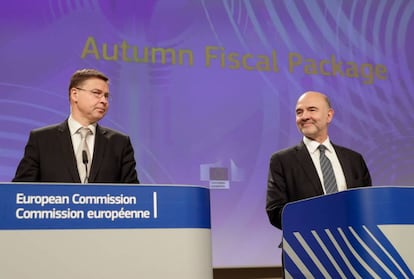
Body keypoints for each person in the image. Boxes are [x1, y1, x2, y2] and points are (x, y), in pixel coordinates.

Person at [266, 91, 371, 230]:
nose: (304, 116)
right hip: (306, 246)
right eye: (299, 112)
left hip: (351, 246)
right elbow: (275, 211)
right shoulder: (282, 160)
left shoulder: (354, 160)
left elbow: (367, 206)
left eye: (312, 110)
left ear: (329, 115)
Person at [13, 69, 139, 184]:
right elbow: (20, 191)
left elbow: (134, 196)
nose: (104, 101)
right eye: (97, 93)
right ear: (74, 94)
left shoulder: (119, 143)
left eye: (106, 96)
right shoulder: (41, 139)